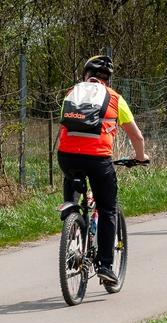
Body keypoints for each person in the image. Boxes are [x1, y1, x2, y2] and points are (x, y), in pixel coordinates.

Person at [56, 54, 148, 287]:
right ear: (108, 78)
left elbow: (64, 124)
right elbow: (136, 136)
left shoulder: (71, 93)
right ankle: (106, 265)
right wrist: (140, 157)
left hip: (67, 158)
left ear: (86, 75)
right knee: (108, 208)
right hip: (98, 160)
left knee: (73, 189)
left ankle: (72, 227)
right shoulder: (115, 99)